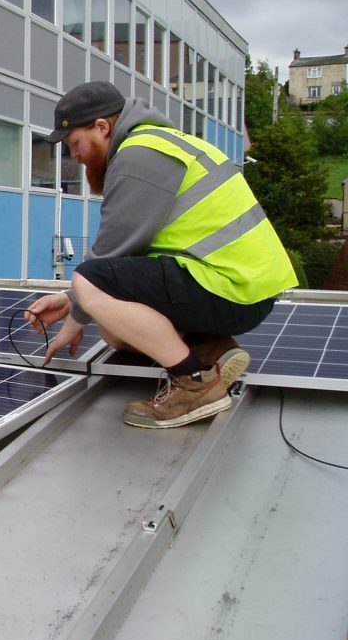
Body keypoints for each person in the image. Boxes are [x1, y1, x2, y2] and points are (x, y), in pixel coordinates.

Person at [27, 81, 296, 429]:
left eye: (74, 143)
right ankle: (211, 349)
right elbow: (122, 272)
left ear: (102, 127)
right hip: (239, 286)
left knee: (91, 280)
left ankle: (194, 383)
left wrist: (75, 316)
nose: (73, 155)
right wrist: (71, 300)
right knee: (112, 326)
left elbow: (109, 254)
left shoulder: (140, 155)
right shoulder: (162, 142)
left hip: (230, 287)